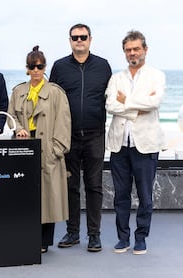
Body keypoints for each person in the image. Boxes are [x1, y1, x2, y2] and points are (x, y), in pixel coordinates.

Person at [49, 23, 112, 252]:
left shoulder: (103, 66)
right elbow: (52, 100)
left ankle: (94, 235)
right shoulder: (59, 67)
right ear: (70, 40)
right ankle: (73, 232)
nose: (79, 40)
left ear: (90, 39)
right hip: (68, 136)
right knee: (70, 185)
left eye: (83, 37)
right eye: (75, 37)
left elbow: (110, 98)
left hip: (95, 134)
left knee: (94, 186)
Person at [105, 30, 166, 255]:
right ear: (124, 52)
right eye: (128, 50)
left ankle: (141, 237)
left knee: (145, 196)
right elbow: (110, 106)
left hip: (146, 145)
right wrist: (137, 108)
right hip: (120, 145)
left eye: (136, 49)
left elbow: (155, 102)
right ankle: (123, 238)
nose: (132, 53)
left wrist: (127, 101)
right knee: (120, 195)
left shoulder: (156, 76)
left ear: (145, 49)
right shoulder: (116, 78)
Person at [7, 46, 71, 253]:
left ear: (45, 68)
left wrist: (56, 149)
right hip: (24, 149)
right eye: (32, 67)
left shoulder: (55, 93)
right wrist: (19, 130)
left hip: (47, 149)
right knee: (26, 194)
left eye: (40, 66)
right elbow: (10, 118)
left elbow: (64, 122)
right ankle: (26, 235)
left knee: (48, 196)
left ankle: (44, 241)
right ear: (27, 69)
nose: (36, 70)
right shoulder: (18, 91)